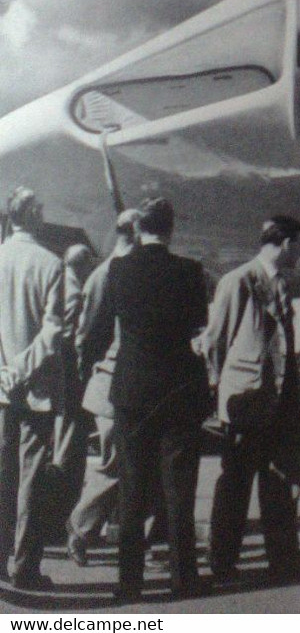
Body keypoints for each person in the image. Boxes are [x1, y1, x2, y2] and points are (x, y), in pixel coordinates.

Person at [83, 197, 210, 604]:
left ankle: (129, 582)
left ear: (139, 229)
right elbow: (196, 325)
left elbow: (101, 329)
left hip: (132, 390)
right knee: (179, 490)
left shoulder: (119, 270)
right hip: (177, 390)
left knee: (132, 489)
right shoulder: (190, 271)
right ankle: (183, 577)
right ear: (171, 230)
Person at [203, 215, 300, 585]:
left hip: (279, 401)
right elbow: (215, 342)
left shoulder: (283, 283)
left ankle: (283, 558)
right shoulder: (239, 281)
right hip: (247, 401)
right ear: (284, 243)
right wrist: (221, 392)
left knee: (280, 481)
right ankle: (222, 561)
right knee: (235, 484)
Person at [67, 209, 139, 567]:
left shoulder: (116, 272)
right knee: (112, 463)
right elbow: (86, 334)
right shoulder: (106, 274)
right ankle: (80, 529)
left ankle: (124, 534)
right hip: (111, 382)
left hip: (121, 382)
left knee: (127, 463)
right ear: (135, 232)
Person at [0, 187, 63, 590]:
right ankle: (25, 566)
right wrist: (22, 369)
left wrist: (5, 371)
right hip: (36, 387)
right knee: (32, 480)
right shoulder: (49, 262)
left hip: (1, 388)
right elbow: (53, 330)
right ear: (35, 215)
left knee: (1, 474)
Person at [52, 243, 97, 526]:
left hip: (58, 379)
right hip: (70, 378)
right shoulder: (76, 292)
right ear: (81, 266)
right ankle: (61, 511)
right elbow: (69, 336)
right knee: (69, 443)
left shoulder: (58, 283)